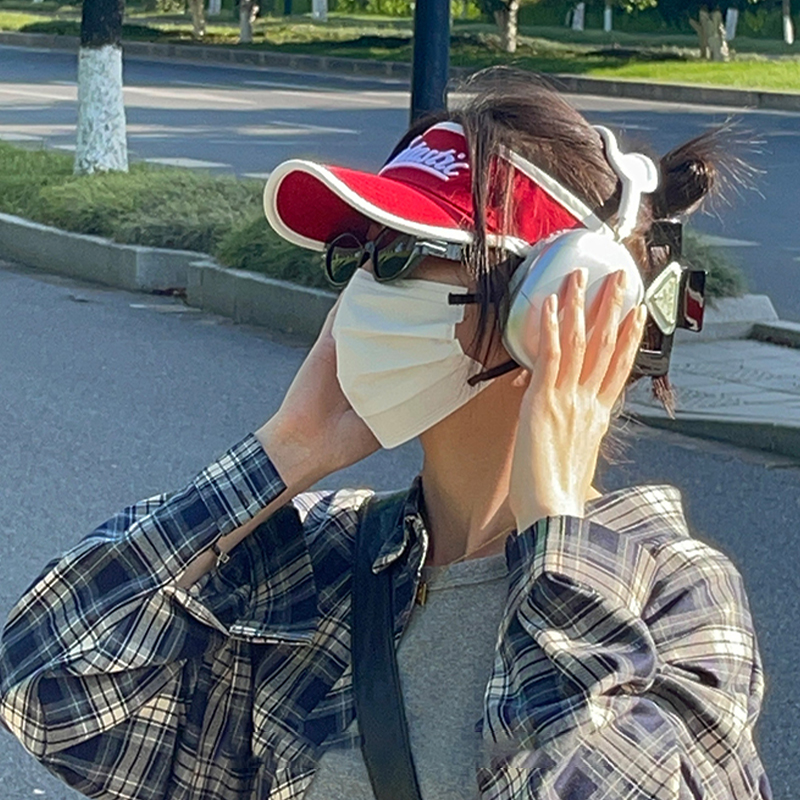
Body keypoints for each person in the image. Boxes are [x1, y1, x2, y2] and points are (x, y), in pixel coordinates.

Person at [0, 70, 770, 800]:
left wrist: (558, 530)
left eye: (399, 255)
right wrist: (286, 453)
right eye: (358, 254)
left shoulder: (673, 597)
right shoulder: (328, 558)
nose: (362, 289)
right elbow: (46, 688)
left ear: (560, 298)